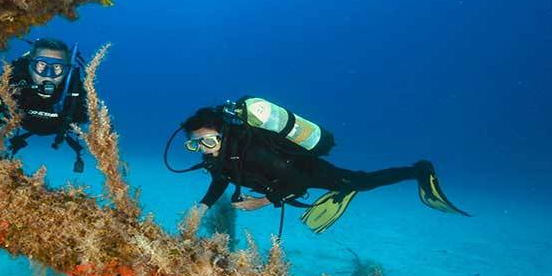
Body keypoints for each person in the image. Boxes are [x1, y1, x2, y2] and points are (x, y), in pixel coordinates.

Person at [165, 97, 469, 234]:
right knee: (355, 182)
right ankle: (347, 190)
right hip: (283, 182)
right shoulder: (222, 157)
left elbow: (297, 183)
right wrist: (203, 206)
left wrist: (261, 202)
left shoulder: (253, 152)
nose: (202, 151)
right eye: (194, 144)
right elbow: (222, 177)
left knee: (360, 181)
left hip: (308, 173)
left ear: (224, 133)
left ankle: (418, 169)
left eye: (207, 142)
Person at [0, 38, 88, 172]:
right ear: (30, 65)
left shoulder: (75, 89)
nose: (48, 75)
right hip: (22, 124)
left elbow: (101, 120)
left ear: (66, 70)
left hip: (60, 130)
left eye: (57, 67)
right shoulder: (15, 79)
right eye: (41, 65)